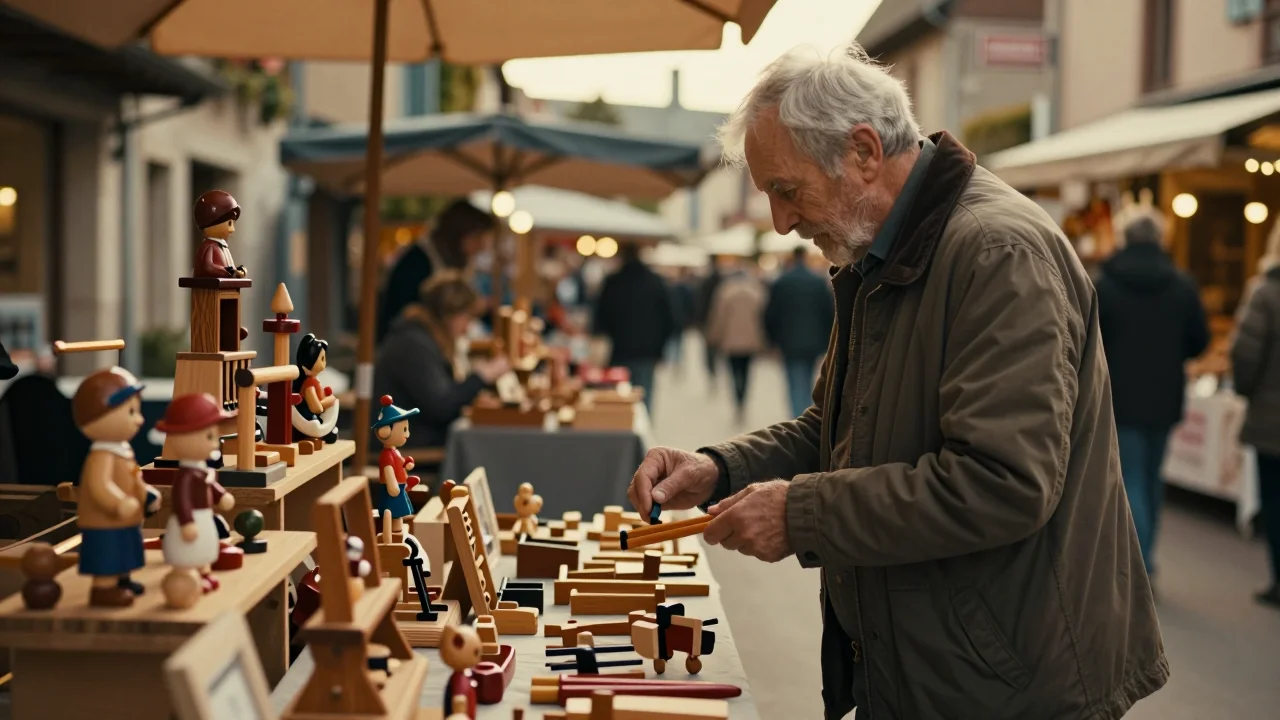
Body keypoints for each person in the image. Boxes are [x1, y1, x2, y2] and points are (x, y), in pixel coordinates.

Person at [627, 46, 1166, 719]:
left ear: (863, 152)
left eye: (786, 190)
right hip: (937, 665)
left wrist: (800, 514)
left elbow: (1002, 482)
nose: (781, 222)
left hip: (1008, 685)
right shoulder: (883, 251)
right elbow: (835, 429)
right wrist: (720, 468)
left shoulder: (997, 252)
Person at [1095, 211, 1209, 579]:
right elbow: (1199, 341)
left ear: (1124, 236)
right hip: (1165, 396)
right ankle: (1145, 558)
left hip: (1120, 396)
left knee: (1130, 478)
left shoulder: (1105, 285)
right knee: (1151, 477)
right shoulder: (1182, 285)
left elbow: (1090, 341)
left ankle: (1138, 565)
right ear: (1161, 238)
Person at [374, 271, 510, 450]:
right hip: (409, 448)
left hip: (417, 438)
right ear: (449, 314)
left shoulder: (421, 338)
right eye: (467, 317)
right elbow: (442, 406)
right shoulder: (414, 344)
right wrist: (481, 376)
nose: (467, 327)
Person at [1232, 223, 1280, 609]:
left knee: (1275, 498)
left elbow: (1246, 354)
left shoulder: (1266, 292)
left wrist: (1247, 391)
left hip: (1272, 415)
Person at [377, 199, 493, 342]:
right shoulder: (418, 262)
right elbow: (413, 312)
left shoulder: (443, 258)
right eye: (476, 238)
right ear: (459, 235)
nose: (480, 247)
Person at [592, 242, 677, 414]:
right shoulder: (656, 282)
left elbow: (600, 318)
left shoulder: (613, 282)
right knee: (643, 398)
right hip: (647, 351)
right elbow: (671, 319)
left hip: (619, 349)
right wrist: (660, 346)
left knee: (619, 397)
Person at [765, 245, 835, 418]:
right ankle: (805, 416)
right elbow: (829, 313)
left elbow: (771, 314)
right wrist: (828, 341)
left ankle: (798, 418)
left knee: (794, 382)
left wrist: (772, 341)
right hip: (814, 341)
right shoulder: (817, 281)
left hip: (788, 342)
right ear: (805, 257)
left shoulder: (782, 281)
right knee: (809, 380)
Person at [705, 259, 767, 423]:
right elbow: (763, 318)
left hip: (730, 341)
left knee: (734, 372)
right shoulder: (756, 292)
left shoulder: (725, 292)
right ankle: (743, 399)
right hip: (750, 341)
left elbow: (719, 317)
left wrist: (714, 336)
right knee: (746, 372)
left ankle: (737, 399)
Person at [696, 263, 725, 390]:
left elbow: (700, 304)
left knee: (709, 351)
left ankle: (712, 370)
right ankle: (714, 370)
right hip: (717, 323)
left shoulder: (706, 285)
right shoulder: (723, 285)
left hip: (708, 323)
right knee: (716, 350)